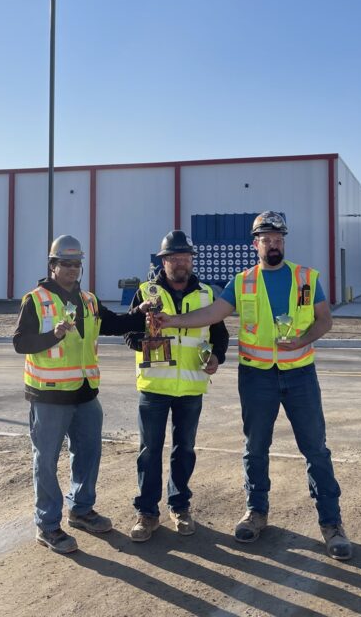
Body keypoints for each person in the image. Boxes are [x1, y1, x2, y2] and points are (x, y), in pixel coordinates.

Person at [155, 211, 352, 560]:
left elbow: (325, 320)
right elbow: (213, 314)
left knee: (316, 449)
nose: (273, 244)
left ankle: (331, 524)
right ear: (255, 244)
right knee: (255, 448)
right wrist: (174, 321)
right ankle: (256, 512)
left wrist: (304, 339)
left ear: (283, 243)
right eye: (267, 239)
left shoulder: (306, 278)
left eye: (278, 239)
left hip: (300, 374)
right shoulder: (242, 282)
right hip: (257, 376)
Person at [13, 234, 151, 554]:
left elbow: (114, 324)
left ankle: (81, 509)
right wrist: (53, 335)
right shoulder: (35, 300)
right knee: (45, 461)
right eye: (66, 264)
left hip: (85, 393)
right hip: (48, 396)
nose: (73, 269)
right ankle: (48, 526)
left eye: (77, 264)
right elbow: (21, 343)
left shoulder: (88, 300)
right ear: (52, 266)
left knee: (88, 454)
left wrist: (140, 312)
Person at [124, 230, 230, 542]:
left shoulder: (207, 295)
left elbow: (219, 335)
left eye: (185, 257)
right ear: (163, 261)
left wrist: (217, 358)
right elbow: (129, 333)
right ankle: (147, 513)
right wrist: (146, 341)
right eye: (174, 257)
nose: (180, 262)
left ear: (191, 260)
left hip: (192, 388)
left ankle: (180, 506)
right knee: (149, 451)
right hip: (155, 386)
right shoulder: (147, 291)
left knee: (184, 450)